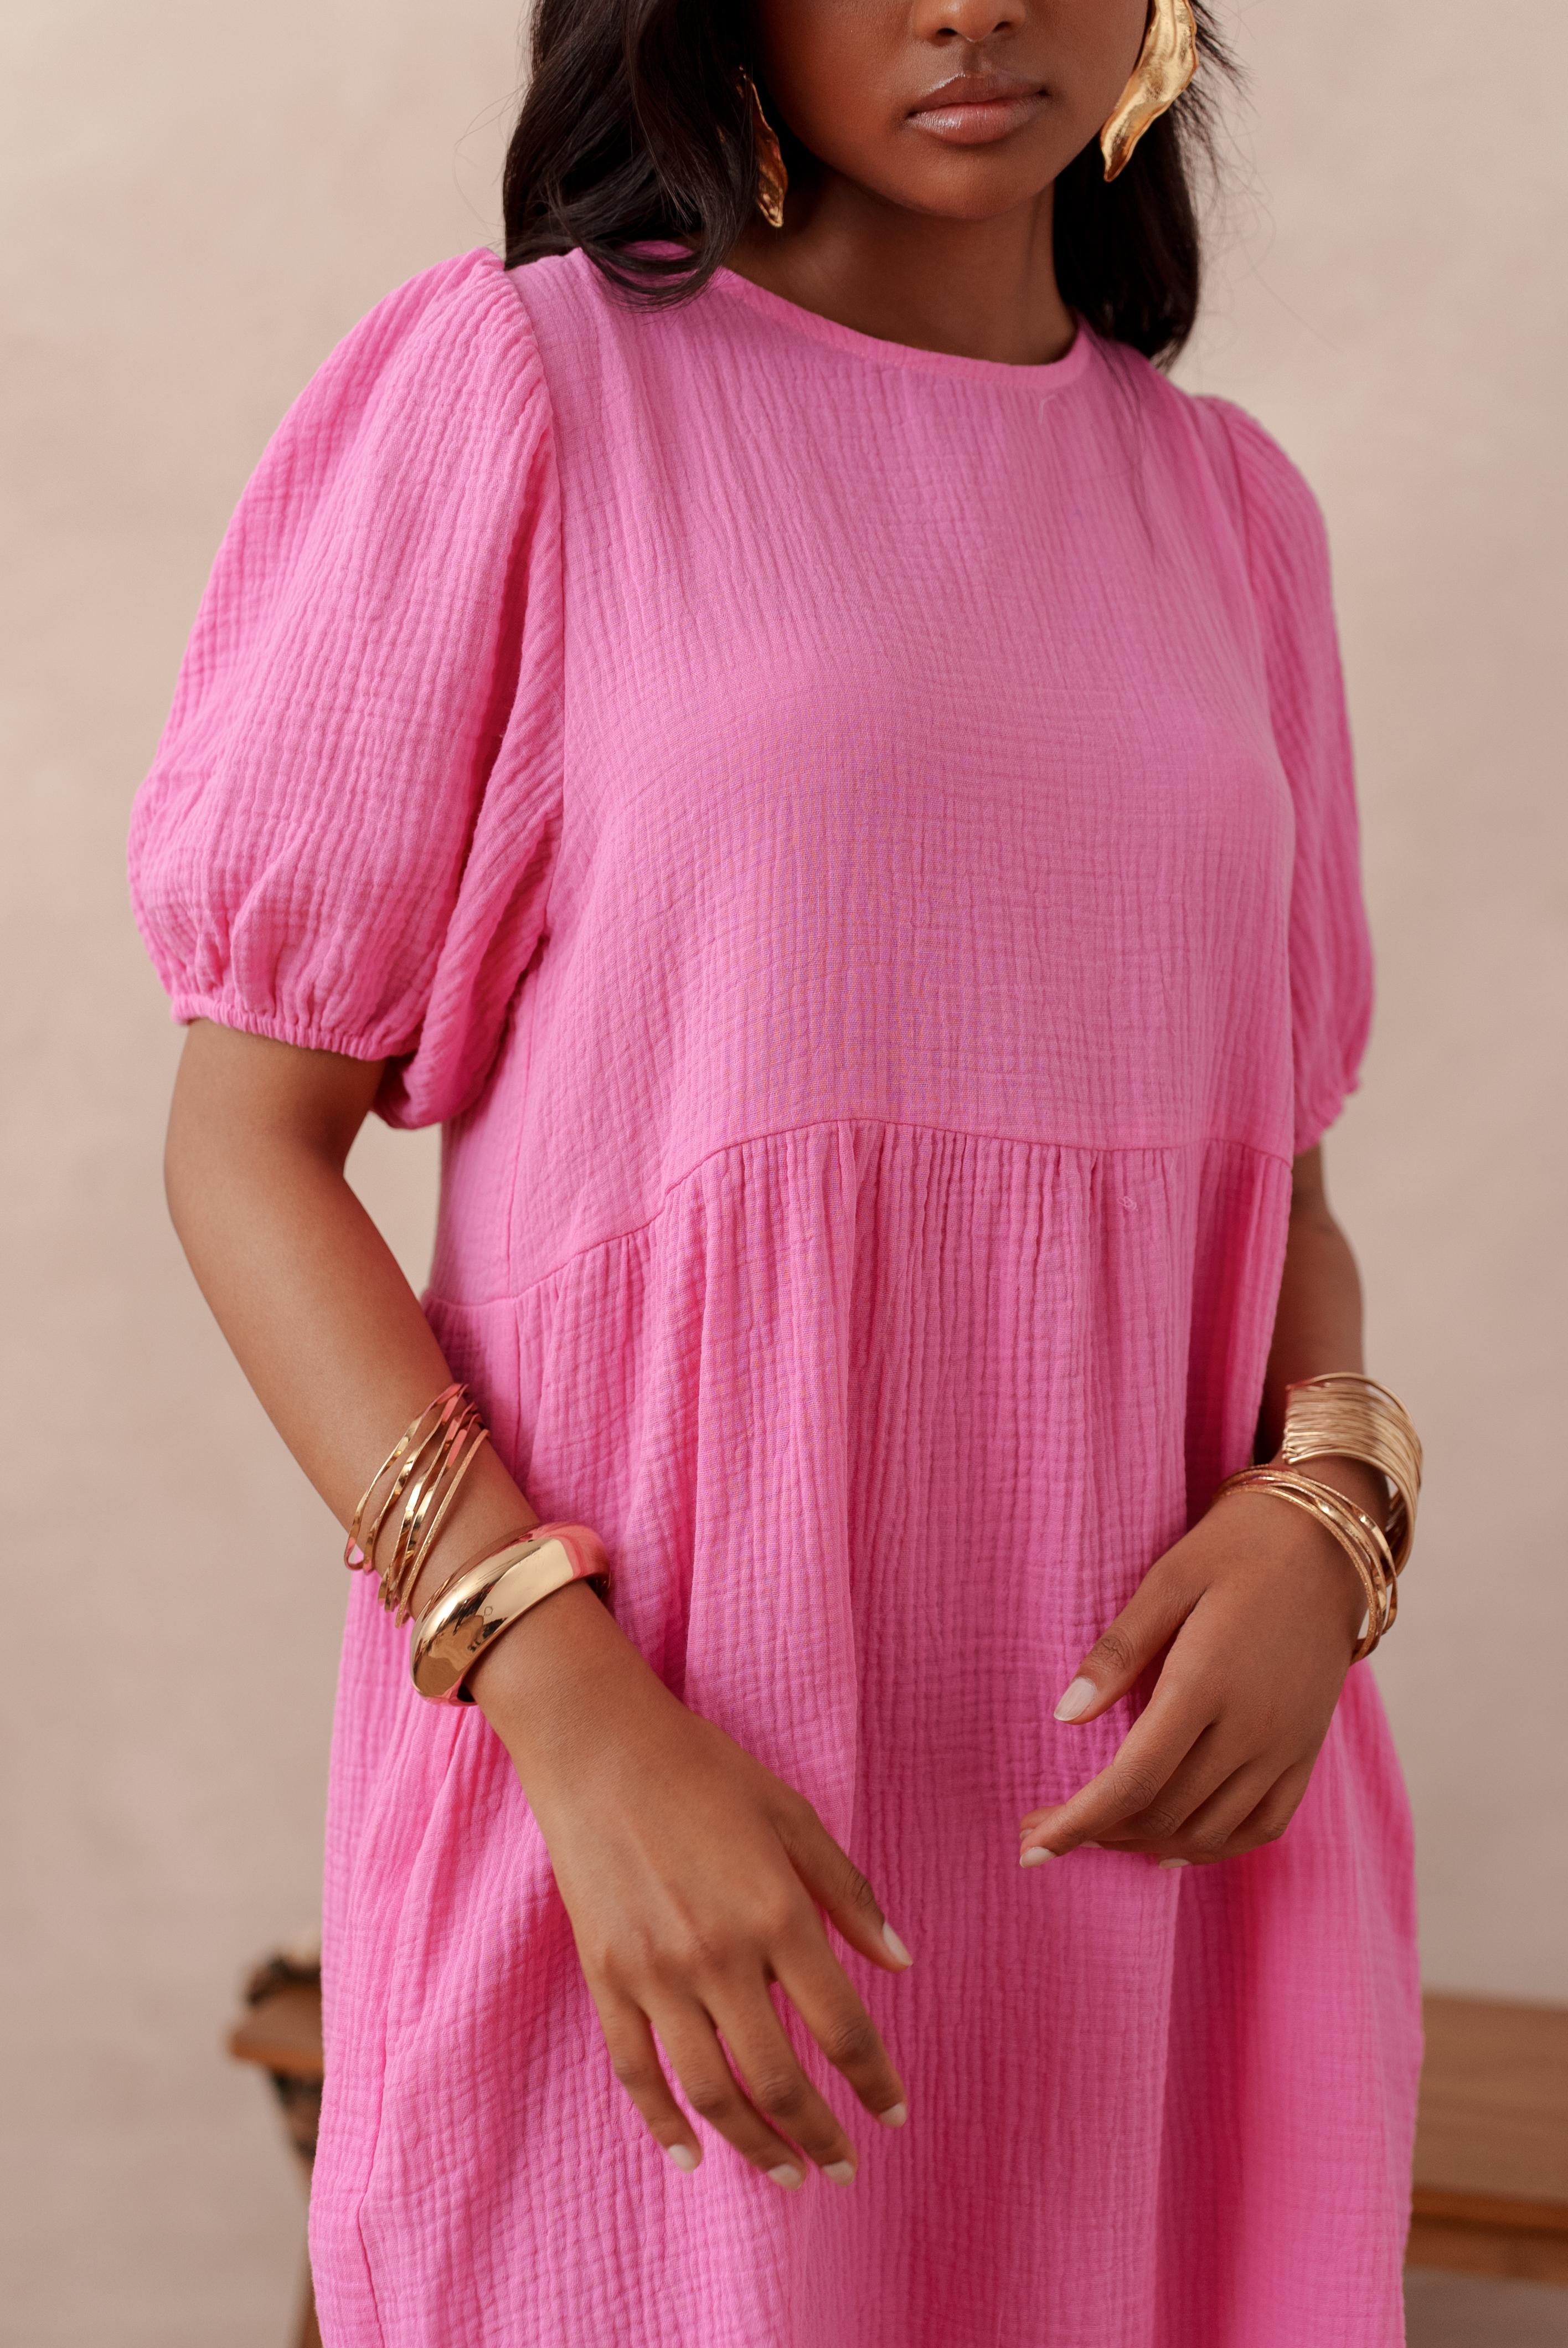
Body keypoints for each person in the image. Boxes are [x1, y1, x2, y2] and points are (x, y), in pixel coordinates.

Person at [128, 1, 1424, 2341]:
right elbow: (245, 1145)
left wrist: (1329, 1512)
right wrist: (570, 1716)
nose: (970, 4)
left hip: (1165, 1847)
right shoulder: (529, 395)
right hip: (665, 1805)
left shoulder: (1239, 518)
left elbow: (1279, 1178)